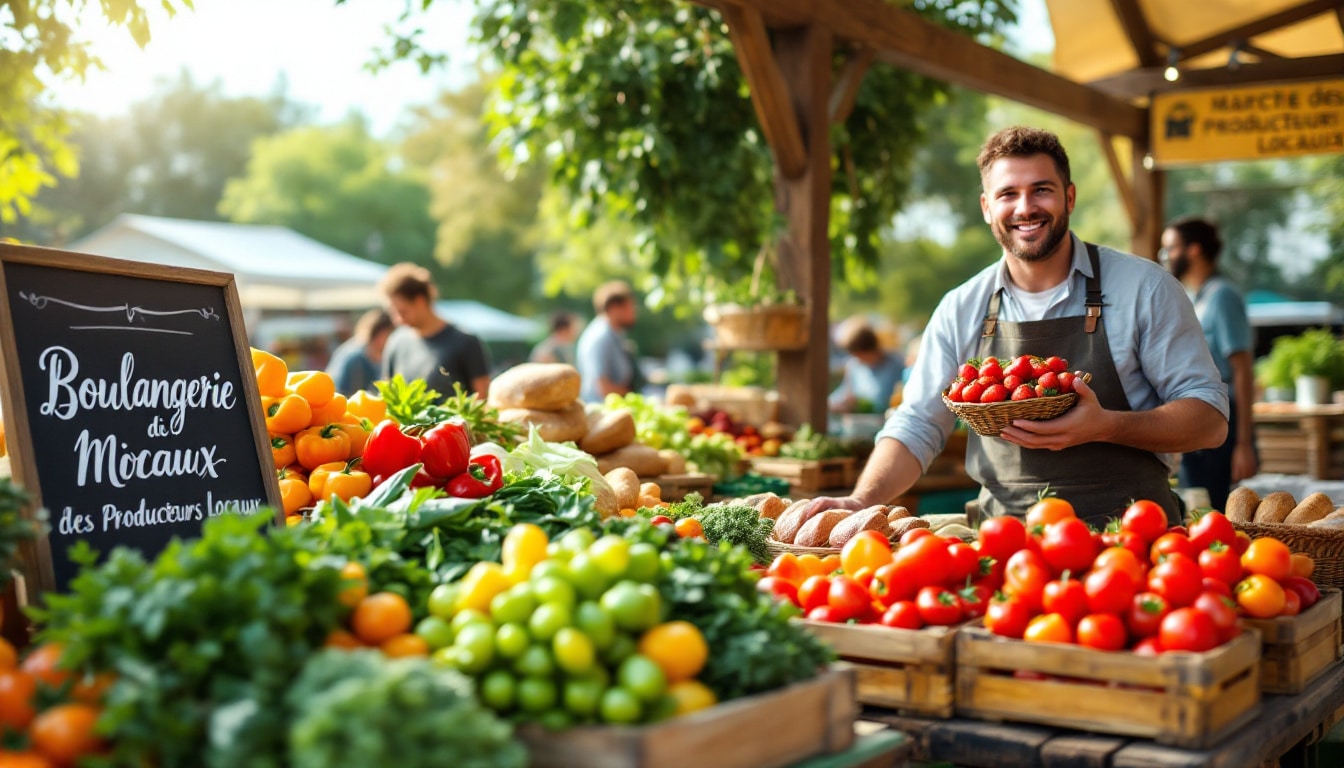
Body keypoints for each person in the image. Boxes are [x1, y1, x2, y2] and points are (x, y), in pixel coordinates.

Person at [808, 126, 1229, 526]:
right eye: (1008, 193)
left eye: (1041, 190)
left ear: (1069, 197)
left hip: (1134, 538)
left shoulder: (1146, 288)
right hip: (1006, 547)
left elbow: (1210, 420)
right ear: (987, 207)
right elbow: (917, 423)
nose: (1025, 208)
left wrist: (1109, 425)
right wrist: (862, 500)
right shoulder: (961, 307)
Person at [1162, 217, 1257, 512]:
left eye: (1170, 249)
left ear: (1194, 250)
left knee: (1216, 514)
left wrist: (1244, 444)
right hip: (1196, 419)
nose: (1164, 257)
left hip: (1225, 426)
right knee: (1194, 508)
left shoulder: (1223, 296)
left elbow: (1242, 369)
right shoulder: (1192, 297)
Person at [378, 262, 491, 397]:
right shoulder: (397, 342)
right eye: (393, 313)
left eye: (403, 312)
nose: (398, 320)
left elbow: (483, 399)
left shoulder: (466, 342)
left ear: (420, 301)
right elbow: (387, 394)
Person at [576, 280, 643, 402]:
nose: (634, 312)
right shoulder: (600, 337)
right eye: (630, 307)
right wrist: (636, 397)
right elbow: (603, 388)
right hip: (602, 414)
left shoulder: (613, 335)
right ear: (614, 308)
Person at [828, 320, 905, 413]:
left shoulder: (896, 365)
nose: (858, 359)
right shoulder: (854, 366)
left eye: (859, 355)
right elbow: (842, 393)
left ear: (870, 349)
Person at [326, 308, 394, 394]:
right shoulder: (355, 358)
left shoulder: (362, 351)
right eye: (389, 333)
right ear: (379, 333)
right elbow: (345, 394)